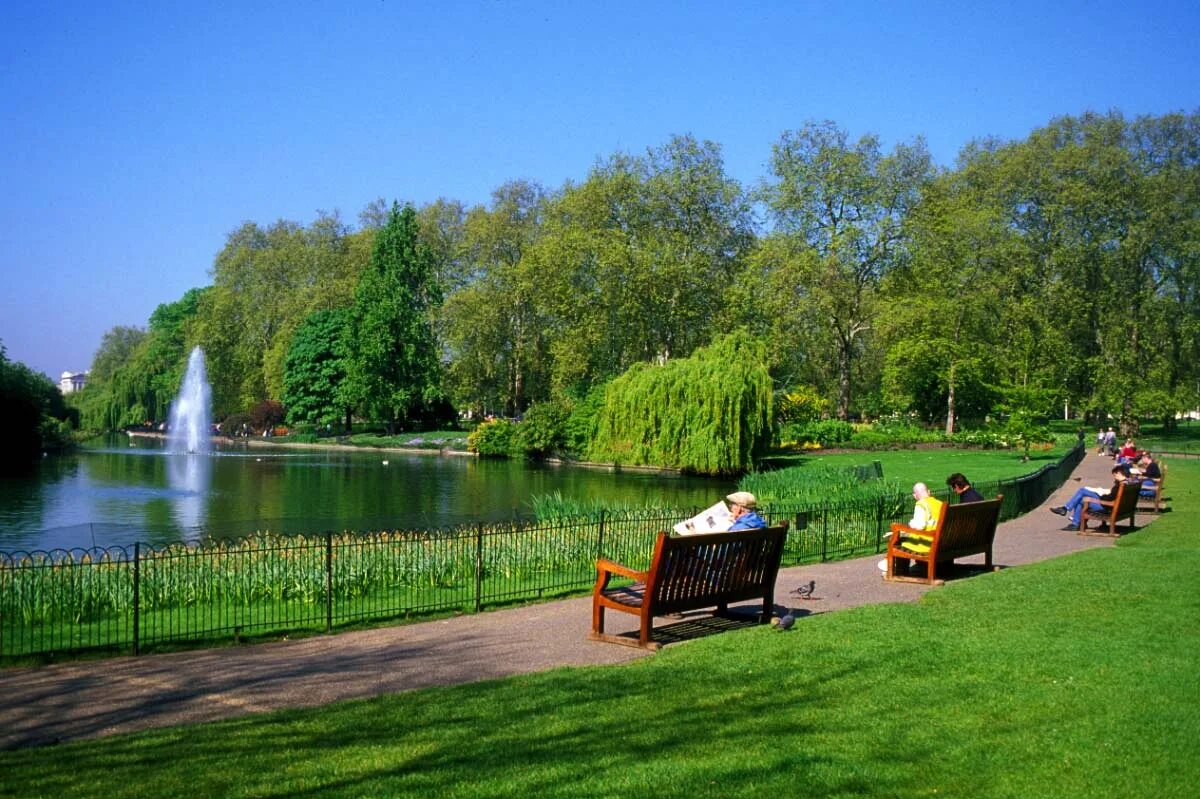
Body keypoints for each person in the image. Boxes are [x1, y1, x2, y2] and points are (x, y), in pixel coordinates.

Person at [1049, 465, 1128, 530]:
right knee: (1082, 495)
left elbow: (1108, 498)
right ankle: (1073, 520)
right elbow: (1112, 496)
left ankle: (1068, 513)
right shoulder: (1126, 484)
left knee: (1082, 494)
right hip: (1117, 507)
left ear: (1120, 473)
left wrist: (1101, 495)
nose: (1114, 477)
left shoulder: (1120, 486)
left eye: (1115, 475)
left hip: (1106, 507)